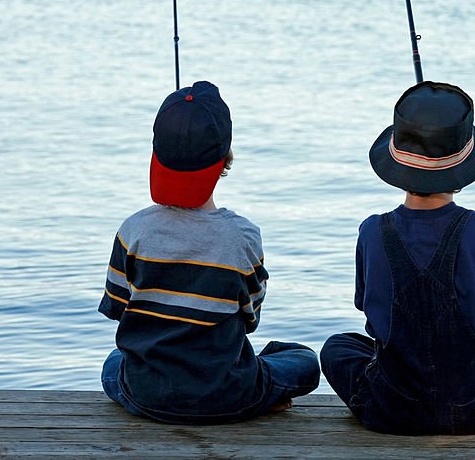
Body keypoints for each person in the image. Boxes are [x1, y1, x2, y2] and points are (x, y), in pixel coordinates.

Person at [98, 80, 320, 424]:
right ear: (225, 158)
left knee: (114, 362)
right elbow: (249, 318)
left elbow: (117, 308)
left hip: (146, 393)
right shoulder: (242, 236)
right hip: (226, 395)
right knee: (304, 361)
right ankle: (261, 392)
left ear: (157, 155)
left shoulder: (133, 230)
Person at [321, 81, 475, 435]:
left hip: (389, 410)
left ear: (397, 164)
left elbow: (365, 305)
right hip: (474, 410)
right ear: (463, 166)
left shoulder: (372, 231)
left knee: (337, 347)